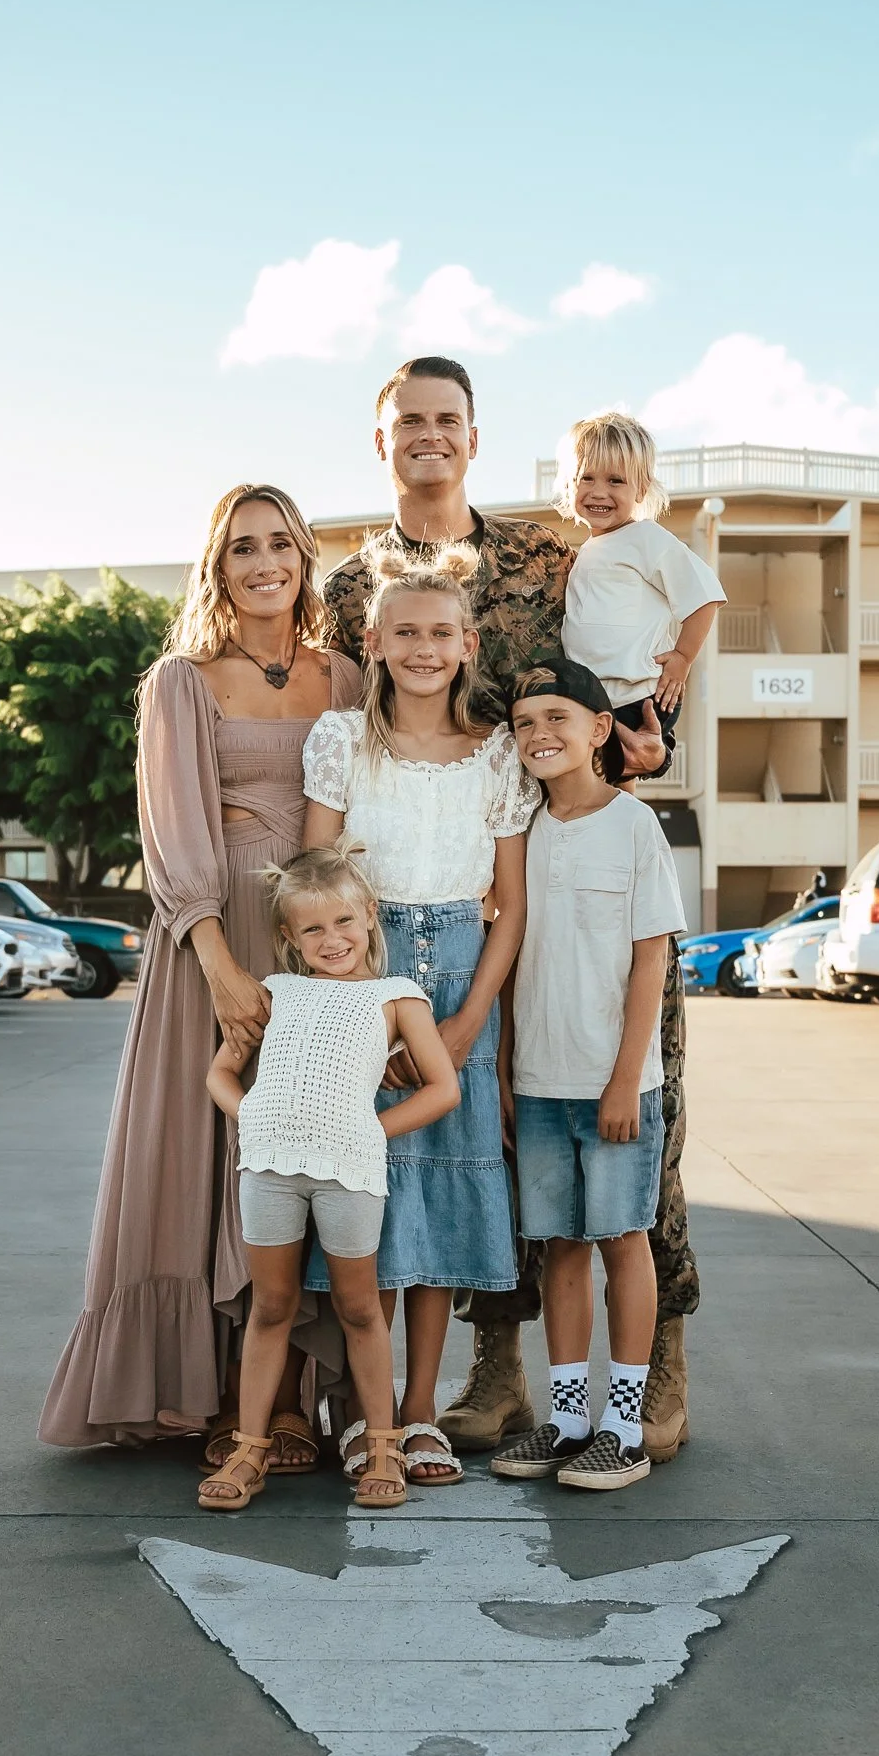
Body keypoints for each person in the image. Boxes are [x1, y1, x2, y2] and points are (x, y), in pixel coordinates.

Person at [322, 355, 700, 1465]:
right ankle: (497, 1371)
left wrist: (651, 734)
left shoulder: (547, 550)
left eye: (448, 420)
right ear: (380, 439)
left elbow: (628, 664)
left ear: (474, 437)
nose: (428, 437)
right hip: (431, 892)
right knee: (493, 1135)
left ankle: (659, 1359)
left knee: (626, 1112)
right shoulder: (351, 590)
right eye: (409, 423)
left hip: (576, 863)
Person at [38, 483, 361, 1460]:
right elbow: (173, 831)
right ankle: (208, 1391)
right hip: (206, 947)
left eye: (279, 544)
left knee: (296, 1153)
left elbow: (352, 810)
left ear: (304, 556)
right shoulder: (180, 681)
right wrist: (218, 960)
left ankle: (288, 1396)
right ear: (216, 567)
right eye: (241, 548)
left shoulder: (344, 680)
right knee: (204, 1153)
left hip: (311, 939)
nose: (263, 563)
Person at [302, 538, 539, 1479]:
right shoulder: (339, 741)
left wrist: (472, 1015)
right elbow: (320, 878)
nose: (424, 648)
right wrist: (366, 1004)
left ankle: (420, 1407)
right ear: (373, 639)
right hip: (365, 974)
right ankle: (367, 1416)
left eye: (442, 632)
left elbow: (511, 904)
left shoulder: (496, 757)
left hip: (459, 984)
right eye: (405, 631)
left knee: (438, 1195)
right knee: (373, 1193)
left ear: (469, 644)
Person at [197, 844, 459, 1513]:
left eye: (343, 921)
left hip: (349, 1171)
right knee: (273, 1308)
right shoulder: (276, 991)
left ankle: (381, 1444)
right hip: (268, 1170)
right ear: (289, 937)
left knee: (359, 1309)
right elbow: (219, 1075)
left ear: (369, 916)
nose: (331, 939)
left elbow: (442, 1089)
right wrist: (247, 1113)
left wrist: (372, 1131)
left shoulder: (395, 998)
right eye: (311, 928)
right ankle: (249, 1446)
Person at [491, 659, 685, 1491]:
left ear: (600, 729)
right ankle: (569, 1420)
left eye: (558, 717)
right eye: (525, 720)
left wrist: (623, 1081)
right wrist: (503, 1072)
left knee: (620, 1240)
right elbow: (506, 958)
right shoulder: (518, 832)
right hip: (537, 1080)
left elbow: (651, 963)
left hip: (616, 1086)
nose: (540, 733)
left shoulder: (632, 827)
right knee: (558, 1249)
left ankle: (623, 1425)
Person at [554, 411, 725, 784]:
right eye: (587, 478)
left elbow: (705, 596)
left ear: (641, 490)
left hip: (640, 696)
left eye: (616, 481)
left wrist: (682, 658)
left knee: (602, 785)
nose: (599, 491)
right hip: (602, 697)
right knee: (600, 787)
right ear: (569, 484)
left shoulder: (647, 539)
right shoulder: (587, 550)